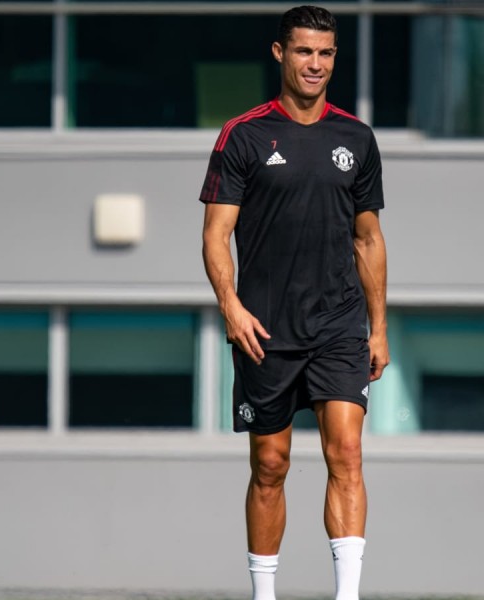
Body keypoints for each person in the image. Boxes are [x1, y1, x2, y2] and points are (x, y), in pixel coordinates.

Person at [200, 6, 388, 600]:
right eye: (304, 51)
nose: (316, 64)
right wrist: (230, 305)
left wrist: (377, 328)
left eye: (326, 53)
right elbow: (215, 234)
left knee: (348, 451)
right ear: (280, 53)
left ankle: (347, 595)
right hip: (265, 327)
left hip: (337, 323)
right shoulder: (244, 133)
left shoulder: (355, 137)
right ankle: (265, 595)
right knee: (271, 466)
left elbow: (368, 238)